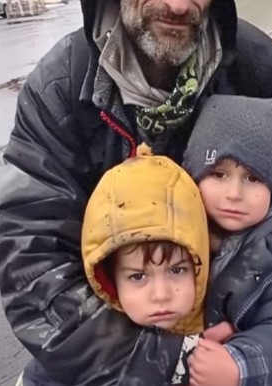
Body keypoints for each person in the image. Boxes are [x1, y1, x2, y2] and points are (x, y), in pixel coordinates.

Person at [0, 0, 272, 385]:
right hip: (115, 320)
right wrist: (166, 360)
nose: (178, 1)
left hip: (239, 312)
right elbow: (31, 255)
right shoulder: (62, 86)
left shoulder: (258, 70)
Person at [182, 95, 272, 386]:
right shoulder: (167, 231)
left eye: (253, 178)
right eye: (219, 174)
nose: (234, 193)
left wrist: (239, 365)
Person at [81, 144, 209, 384]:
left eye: (177, 270)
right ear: (109, 280)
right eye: (138, 276)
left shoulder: (225, 337)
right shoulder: (92, 355)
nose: (161, 295)